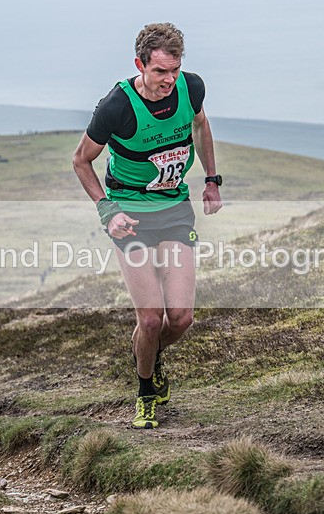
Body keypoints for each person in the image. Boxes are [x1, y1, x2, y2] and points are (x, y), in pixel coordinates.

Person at [72, 23, 222, 429]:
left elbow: (200, 126)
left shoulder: (191, 88)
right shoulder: (116, 107)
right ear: (140, 65)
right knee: (151, 320)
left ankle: (148, 352)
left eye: (175, 69)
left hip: (174, 212)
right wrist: (108, 210)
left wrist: (211, 180)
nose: (169, 80)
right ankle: (145, 393)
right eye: (159, 72)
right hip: (131, 217)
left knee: (182, 318)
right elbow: (81, 161)